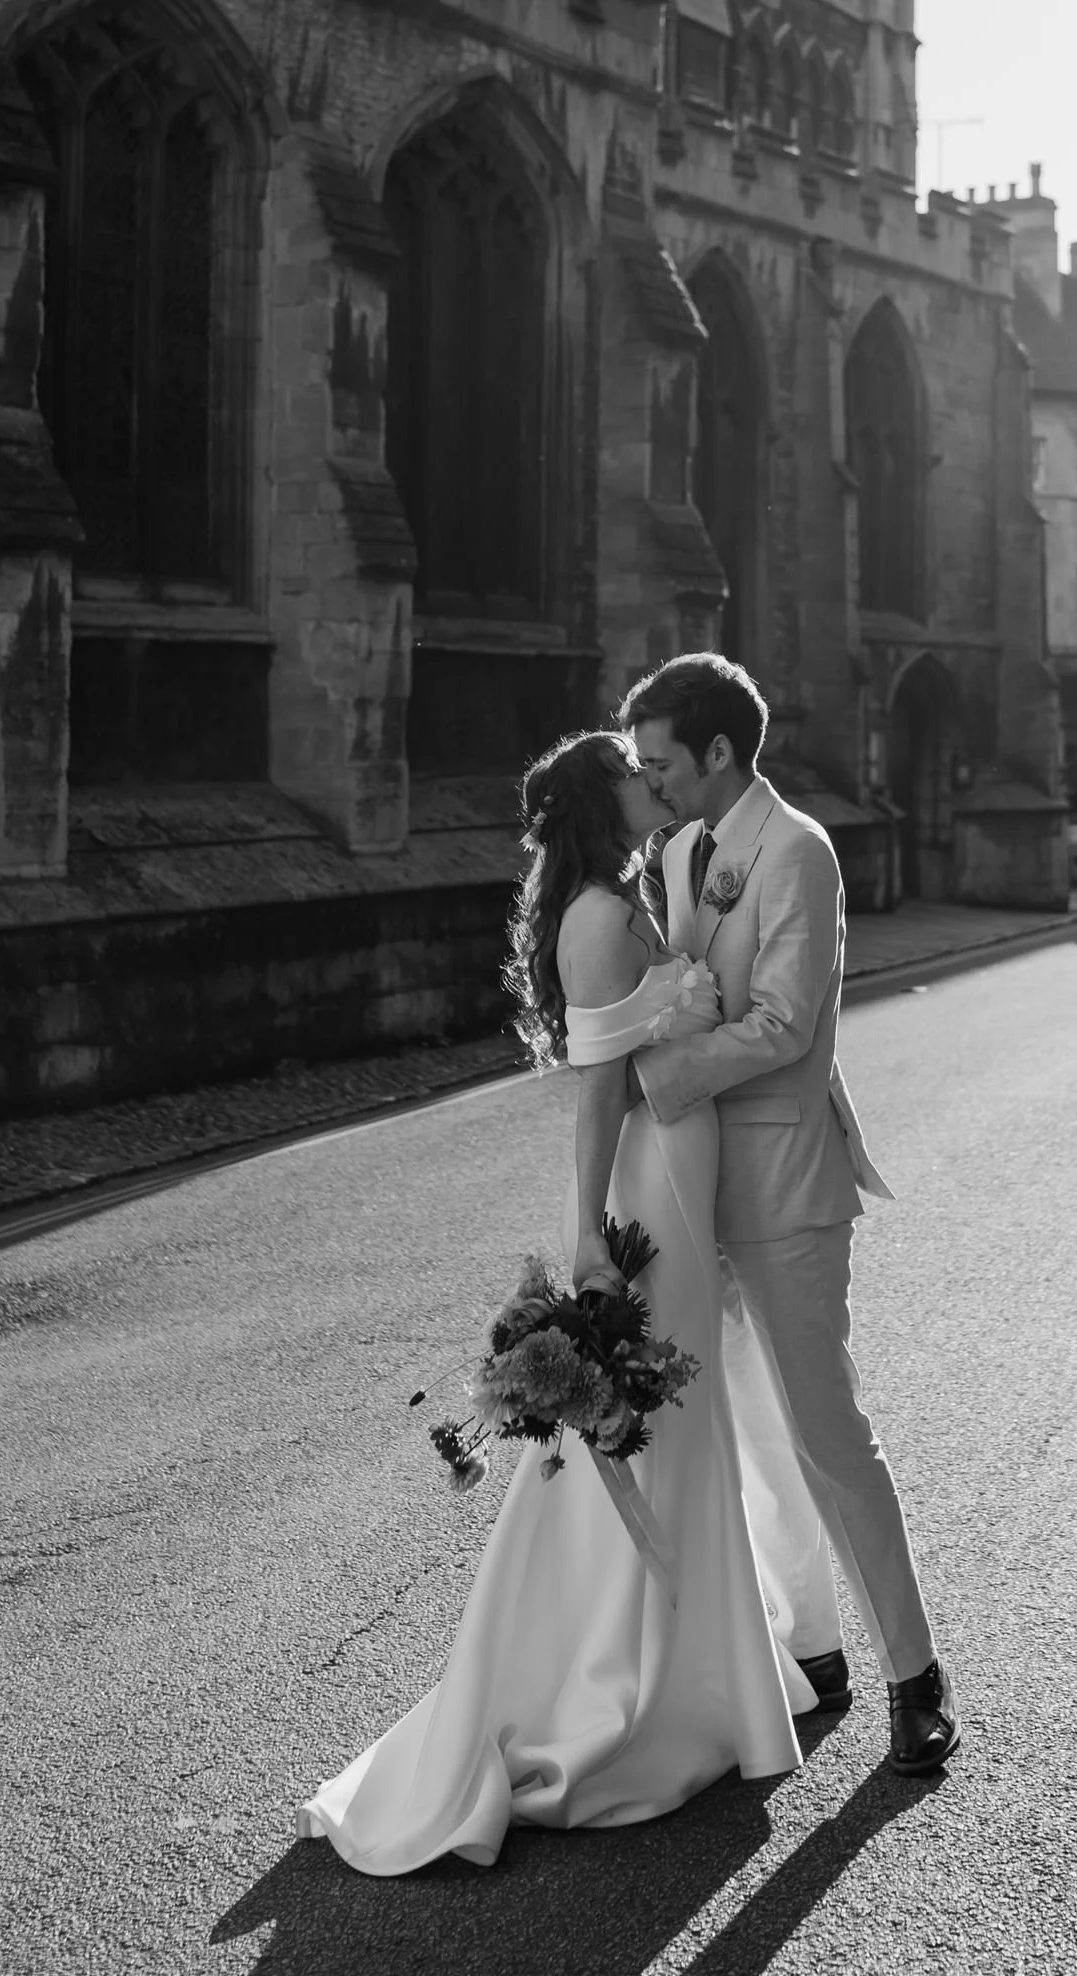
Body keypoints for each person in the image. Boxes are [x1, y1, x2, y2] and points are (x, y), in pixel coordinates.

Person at [296, 730, 817, 1875]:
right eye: (640, 772)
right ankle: (618, 1683)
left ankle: (700, 1663)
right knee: (646, 1427)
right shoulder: (593, 916)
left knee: (686, 1427)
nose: (657, 782)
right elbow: (597, 1090)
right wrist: (585, 1227)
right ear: (605, 795)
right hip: (646, 1187)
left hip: (684, 1180)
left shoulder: (622, 896)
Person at [618, 653, 960, 1777]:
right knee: (745, 1436)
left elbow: (783, 1023)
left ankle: (916, 1675)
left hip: (782, 1185)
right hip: (690, 1189)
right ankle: (814, 1649)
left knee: (825, 1436)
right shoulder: (676, 851)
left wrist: (653, 1075)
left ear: (719, 751)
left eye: (661, 759)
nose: (649, 779)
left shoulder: (799, 850)